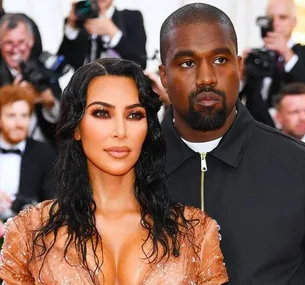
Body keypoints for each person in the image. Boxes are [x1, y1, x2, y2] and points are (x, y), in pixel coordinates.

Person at [157, 3, 305, 285]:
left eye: (220, 60)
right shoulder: (134, 171)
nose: (207, 77)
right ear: (164, 77)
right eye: (188, 63)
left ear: (239, 68)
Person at [0, 58, 228, 284]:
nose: (120, 131)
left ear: (147, 128)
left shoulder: (195, 234)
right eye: (102, 113)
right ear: (77, 127)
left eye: (134, 115)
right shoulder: (28, 233)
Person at [240, 0, 305, 127]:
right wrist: (239, 73)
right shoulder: (256, 57)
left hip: (293, 136)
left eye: (282, 17)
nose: (275, 23)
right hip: (255, 132)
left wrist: (287, 55)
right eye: (270, 18)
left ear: (294, 22)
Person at [0, 13, 61, 149]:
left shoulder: (44, 69)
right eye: (9, 43)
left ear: (31, 41)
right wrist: (12, 97)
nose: (16, 49)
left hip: (46, 152)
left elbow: (64, 123)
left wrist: (49, 103)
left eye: (21, 42)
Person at [0, 85, 56, 219]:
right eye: (11, 116)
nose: (19, 123)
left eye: (24, 116)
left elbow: (53, 202)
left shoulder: (44, 153)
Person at [58, 0, 147, 71]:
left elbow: (140, 62)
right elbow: (60, 65)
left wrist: (114, 34)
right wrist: (71, 29)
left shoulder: (131, 17)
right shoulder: (79, 20)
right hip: (84, 88)